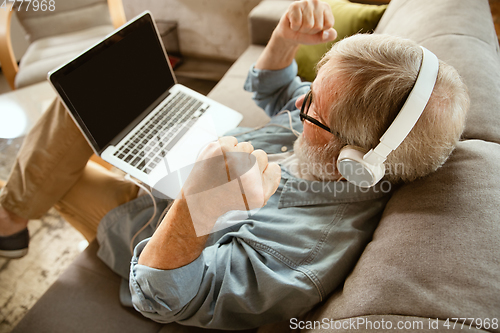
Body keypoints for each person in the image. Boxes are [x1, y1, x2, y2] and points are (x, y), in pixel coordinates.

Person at [0, 0, 469, 329]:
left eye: (311, 109)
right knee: (88, 97)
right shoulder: (344, 134)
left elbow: (166, 297)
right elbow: (278, 91)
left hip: (149, 225)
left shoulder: (298, 257)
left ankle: (10, 218)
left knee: (57, 153)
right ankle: (16, 211)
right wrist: (285, 39)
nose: (298, 101)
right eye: (313, 85)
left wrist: (194, 211)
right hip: (186, 165)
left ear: (354, 163)